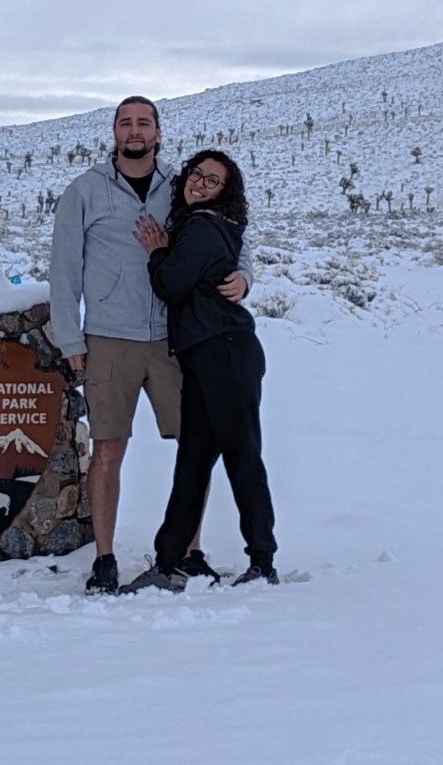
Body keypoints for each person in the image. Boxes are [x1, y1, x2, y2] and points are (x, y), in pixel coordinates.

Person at [44, 96, 248, 594]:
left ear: (158, 131)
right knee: (109, 448)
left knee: (193, 446)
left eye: (144, 123)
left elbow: (234, 229)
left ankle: (190, 551)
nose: (135, 131)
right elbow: (64, 270)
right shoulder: (85, 191)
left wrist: (245, 274)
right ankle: (105, 557)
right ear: (114, 131)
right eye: (125, 122)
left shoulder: (179, 189)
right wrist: (70, 337)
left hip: (174, 339)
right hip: (110, 339)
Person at [125, 148, 279, 592]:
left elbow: (171, 285)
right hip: (208, 357)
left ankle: (263, 561)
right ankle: (169, 559)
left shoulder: (204, 228)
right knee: (193, 461)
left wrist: (157, 252)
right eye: (197, 174)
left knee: (241, 456)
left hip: (224, 354)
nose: (200, 183)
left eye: (213, 181)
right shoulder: (208, 227)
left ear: (226, 193)